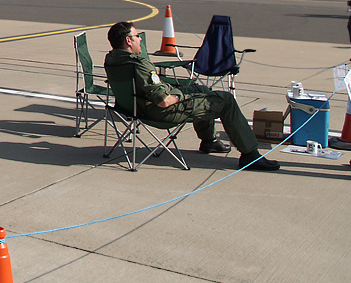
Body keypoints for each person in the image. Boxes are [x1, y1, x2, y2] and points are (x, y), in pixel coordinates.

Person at [104, 21, 279, 171]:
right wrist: (180, 94)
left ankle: (209, 140)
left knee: (199, 90)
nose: (140, 39)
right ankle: (250, 155)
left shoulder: (112, 59)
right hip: (160, 112)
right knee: (226, 100)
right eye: (137, 36)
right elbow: (164, 101)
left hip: (135, 108)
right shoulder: (139, 64)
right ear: (128, 40)